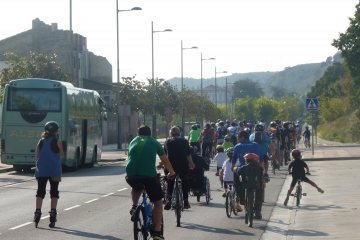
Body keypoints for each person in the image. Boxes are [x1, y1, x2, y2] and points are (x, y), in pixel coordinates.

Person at [126, 125, 175, 240]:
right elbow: (165, 160)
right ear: (150, 134)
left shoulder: (133, 141)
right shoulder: (153, 141)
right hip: (148, 176)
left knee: (136, 187)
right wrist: (171, 172)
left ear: (138, 134)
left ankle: (134, 206)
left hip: (131, 176)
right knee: (157, 201)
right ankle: (157, 232)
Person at [34, 121, 64, 228]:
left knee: (40, 192)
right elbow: (61, 153)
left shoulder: (40, 142)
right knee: (54, 192)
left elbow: (37, 157)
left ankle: (37, 213)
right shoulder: (58, 141)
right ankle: (52, 214)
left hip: (42, 171)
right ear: (56, 131)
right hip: (54, 171)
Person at [231, 130, 264, 219]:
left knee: (236, 174)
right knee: (259, 185)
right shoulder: (256, 145)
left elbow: (233, 160)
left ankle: (239, 194)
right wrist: (262, 172)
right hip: (256, 170)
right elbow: (261, 160)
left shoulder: (238, 146)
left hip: (244, 170)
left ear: (242, 137)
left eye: (238, 137)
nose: (237, 139)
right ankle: (257, 208)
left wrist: (232, 168)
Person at [163, 126, 195, 210]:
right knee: (185, 180)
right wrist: (191, 164)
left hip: (171, 167)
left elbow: (164, 156)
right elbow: (188, 155)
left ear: (171, 134)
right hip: (183, 166)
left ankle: (169, 199)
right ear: (179, 133)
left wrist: (160, 164)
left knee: (170, 180)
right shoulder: (185, 142)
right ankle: (186, 201)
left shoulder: (168, 142)